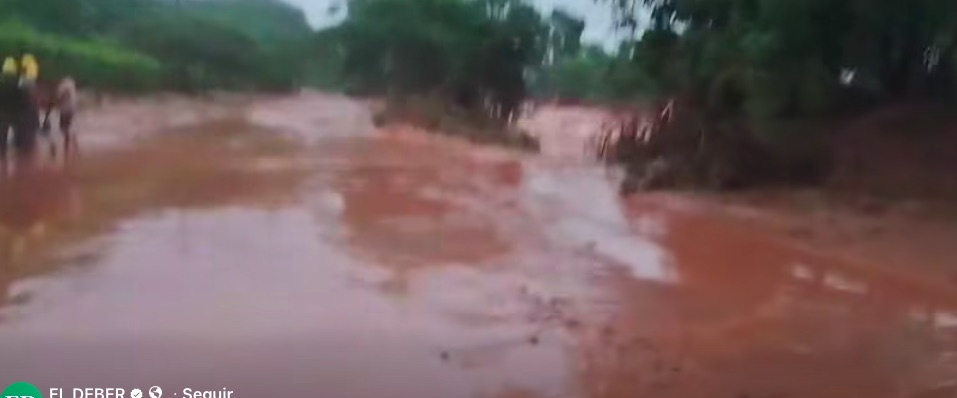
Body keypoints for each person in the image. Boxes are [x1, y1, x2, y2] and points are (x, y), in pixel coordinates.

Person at [0, 57, 21, 157]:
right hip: (13, 111)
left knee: (3, 133)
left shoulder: (2, 81)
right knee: (16, 132)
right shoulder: (17, 82)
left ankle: (3, 153)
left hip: (3, 111)